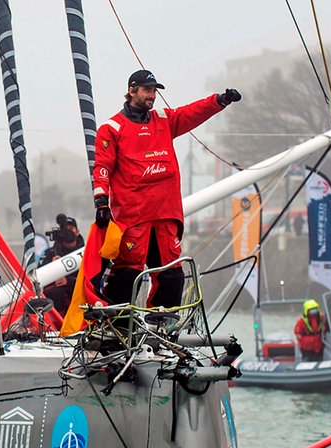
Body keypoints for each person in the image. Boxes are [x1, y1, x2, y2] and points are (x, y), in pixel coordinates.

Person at [93, 69, 240, 307]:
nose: (152, 96)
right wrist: (101, 201)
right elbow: (102, 167)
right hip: (133, 218)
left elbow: (192, 113)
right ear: (132, 91)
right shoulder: (112, 128)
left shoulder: (164, 119)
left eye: (154, 91)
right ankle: (114, 328)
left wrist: (219, 101)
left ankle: (160, 327)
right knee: (127, 275)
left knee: (172, 275)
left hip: (165, 215)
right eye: (147, 90)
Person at [41, 214, 86, 314]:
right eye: (65, 229)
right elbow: (39, 276)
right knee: (54, 293)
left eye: (71, 228)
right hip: (58, 299)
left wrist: (68, 281)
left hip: (78, 293)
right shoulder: (50, 253)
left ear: (77, 232)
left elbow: (90, 277)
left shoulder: (85, 252)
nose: (68, 232)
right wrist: (52, 265)